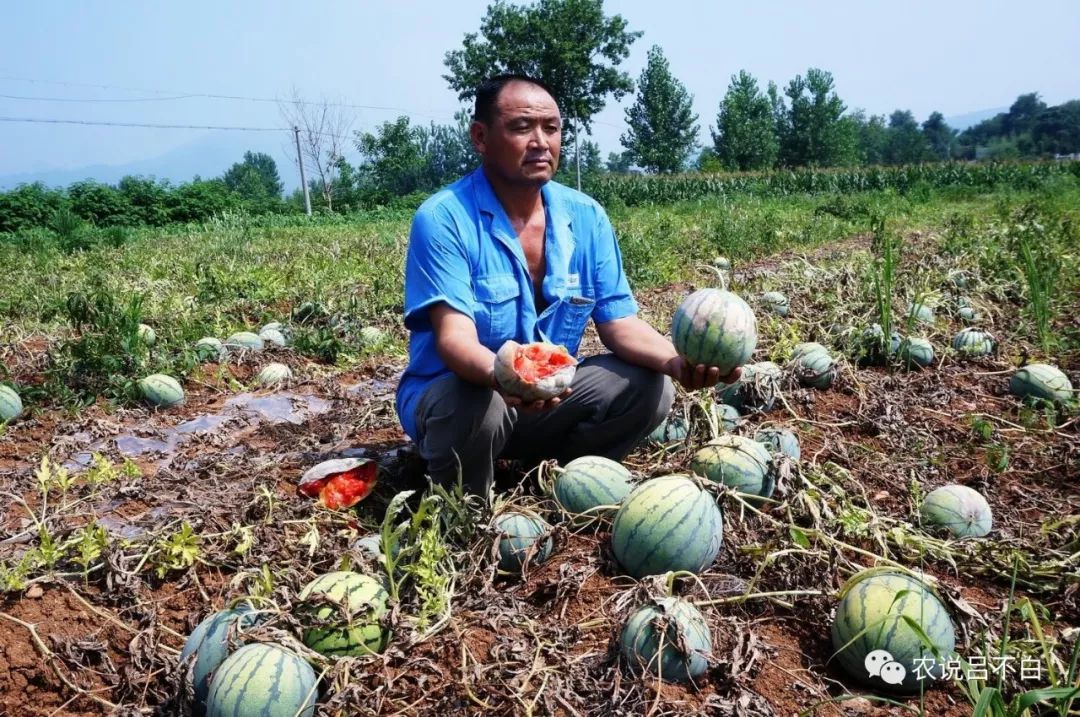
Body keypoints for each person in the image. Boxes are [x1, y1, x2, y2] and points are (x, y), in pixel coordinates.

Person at [395, 74, 737, 499]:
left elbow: (619, 322)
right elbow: (454, 339)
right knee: (475, 404)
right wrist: (506, 378)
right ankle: (463, 509)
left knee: (650, 386)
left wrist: (675, 362)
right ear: (481, 137)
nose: (541, 141)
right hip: (462, 400)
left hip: (549, 399)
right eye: (522, 127)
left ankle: (563, 483)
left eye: (551, 128)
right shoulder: (444, 218)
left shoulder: (586, 216)